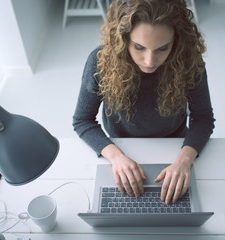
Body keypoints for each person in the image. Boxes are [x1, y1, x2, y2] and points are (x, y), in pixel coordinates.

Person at [73, 0, 215, 205]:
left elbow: (203, 118)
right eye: (139, 47)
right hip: (121, 144)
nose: (150, 61)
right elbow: (82, 120)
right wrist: (116, 157)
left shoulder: (189, 62)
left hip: (174, 147)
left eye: (162, 48)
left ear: (176, 40)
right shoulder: (99, 61)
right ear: (123, 38)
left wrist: (184, 161)